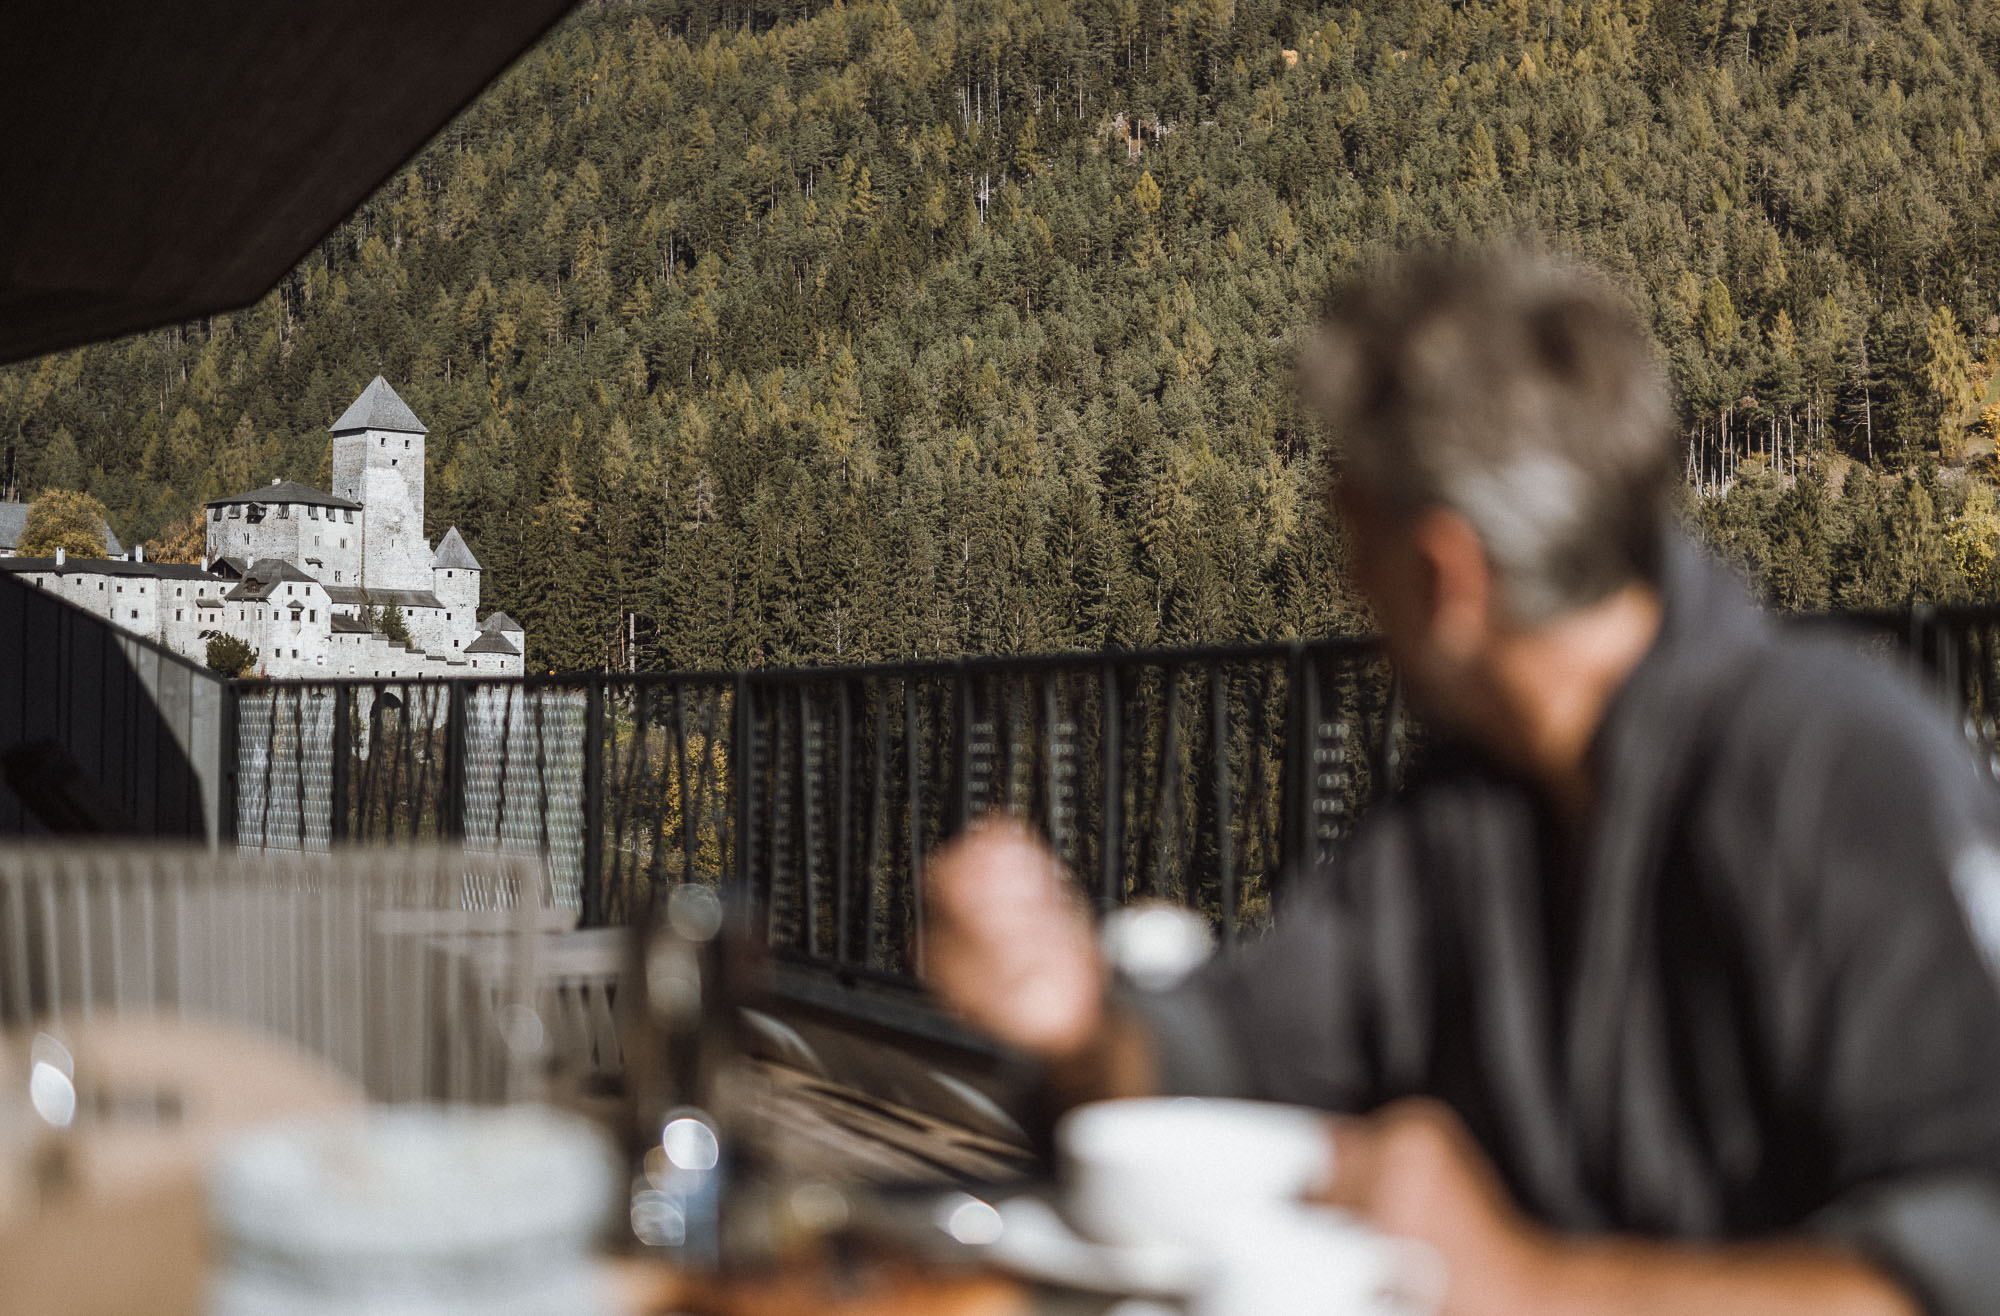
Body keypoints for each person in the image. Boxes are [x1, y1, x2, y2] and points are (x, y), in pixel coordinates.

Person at [924, 249, 2000, 1316]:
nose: (1350, 587)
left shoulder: (1838, 769)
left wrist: (1529, 1285)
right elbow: (1221, 1059)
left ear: (1444, 573)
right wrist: (1078, 1028)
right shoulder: (1456, 820)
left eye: (1354, 537)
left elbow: (1970, 1241)